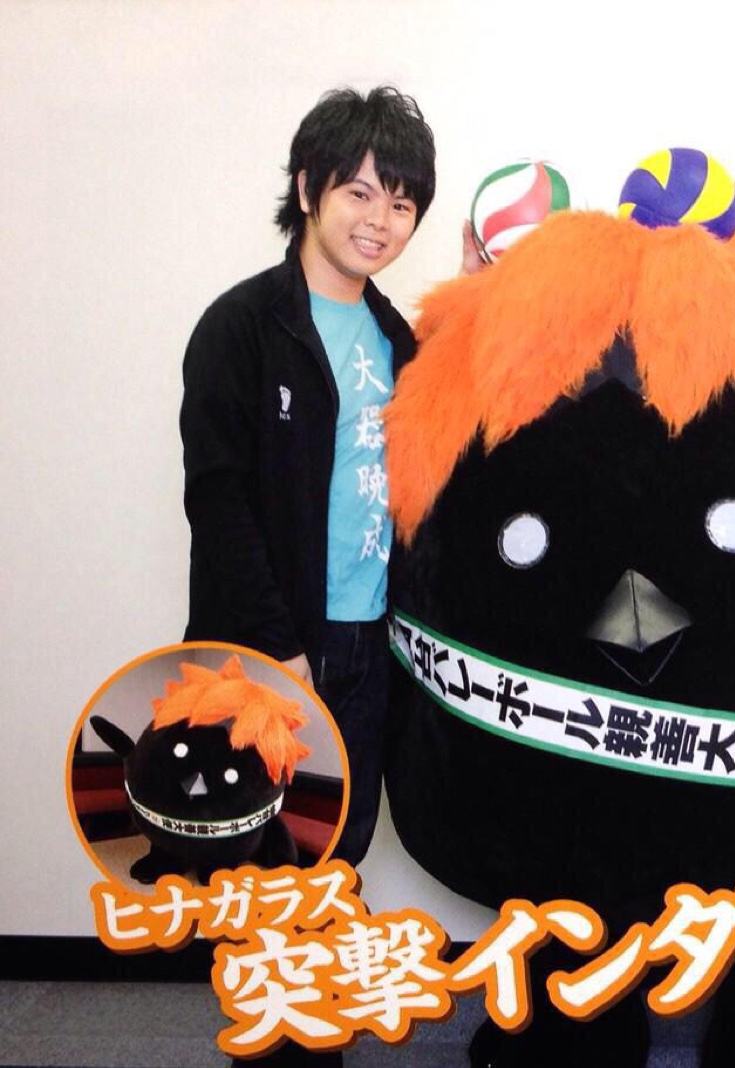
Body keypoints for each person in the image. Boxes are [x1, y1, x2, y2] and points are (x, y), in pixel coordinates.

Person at [180, 85, 436, 868]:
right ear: (306, 190)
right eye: (358, 193)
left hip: (370, 643)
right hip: (268, 647)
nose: (379, 220)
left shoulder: (399, 342)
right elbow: (218, 502)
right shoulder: (242, 327)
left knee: (338, 847)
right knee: (248, 859)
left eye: (400, 203)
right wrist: (277, 648)